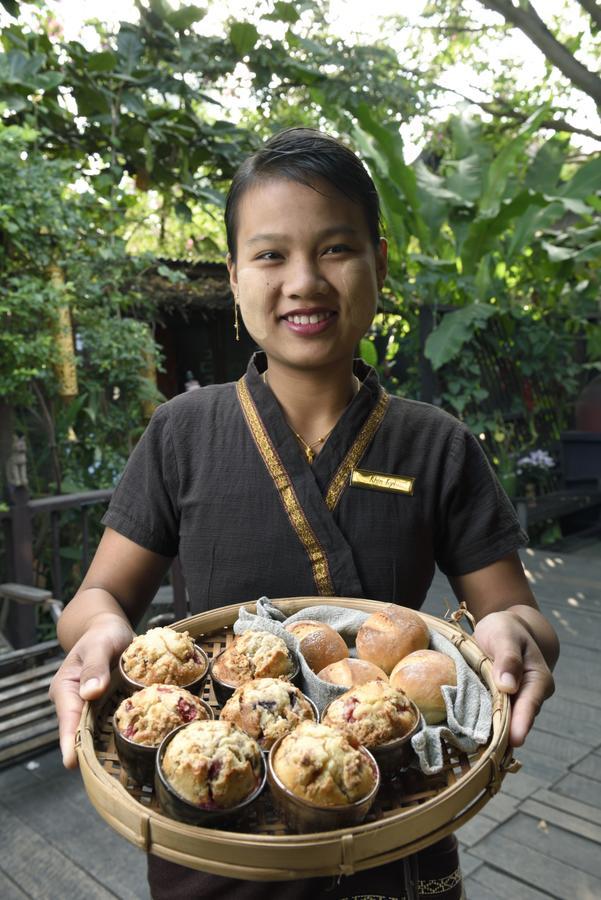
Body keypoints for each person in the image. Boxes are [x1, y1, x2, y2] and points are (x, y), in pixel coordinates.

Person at [49, 128, 559, 900]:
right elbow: (97, 599)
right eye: (269, 255)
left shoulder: (436, 443)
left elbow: (515, 614)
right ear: (232, 276)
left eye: (334, 249)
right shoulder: (182, 433)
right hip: (216, 822)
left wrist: (512, 638)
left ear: (378, 264)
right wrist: (98, 636)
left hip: (389, 808)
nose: (303, 280)